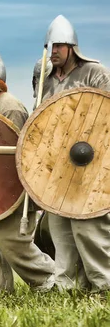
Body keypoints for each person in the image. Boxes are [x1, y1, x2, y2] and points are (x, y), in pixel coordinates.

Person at [0, 49, 55, 295]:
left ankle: (49, 280)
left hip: (9, 187)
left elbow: (17, 151)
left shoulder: (10, 106)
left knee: (8, 237)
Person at [40, 15, 110, 292]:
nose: (54, 50)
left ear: (72, 47)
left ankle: (103, 285)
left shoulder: (95, 73)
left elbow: (105, 116)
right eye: (50, 45)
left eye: (59, 45)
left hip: (89, 163)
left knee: (89, 229)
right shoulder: (46, 82)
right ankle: (68, 286)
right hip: (59, 168)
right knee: (60, 229)